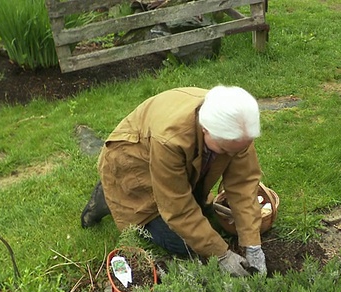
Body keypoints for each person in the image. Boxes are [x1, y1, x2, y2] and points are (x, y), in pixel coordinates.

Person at [80, 86, 267, 276]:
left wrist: (252, 244)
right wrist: (222, 255)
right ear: (206, 129)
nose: (232, 156)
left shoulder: (237, 128)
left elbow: (243, 184)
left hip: (169, 161)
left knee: (204, 222)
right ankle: (110, 193)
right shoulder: (170, 138)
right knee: (182, 243)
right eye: (226, 151)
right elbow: (177, 207)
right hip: (134, 162)